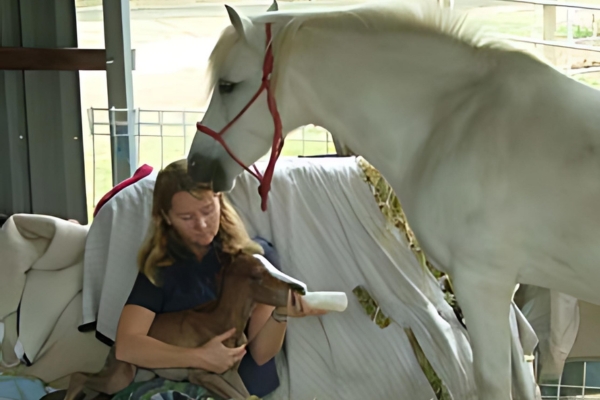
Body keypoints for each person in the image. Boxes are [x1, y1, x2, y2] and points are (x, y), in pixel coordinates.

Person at [114, 159, 327, 399]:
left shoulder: (255, 260)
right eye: (187, 217)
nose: (202, 225)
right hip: (177, 387)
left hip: (241, 389)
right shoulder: (160, 268)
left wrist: (281, 313)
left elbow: (260, 354)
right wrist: (199, 357)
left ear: (219, 200)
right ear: (166, 217)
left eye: (207, 210)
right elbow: (127, 346)